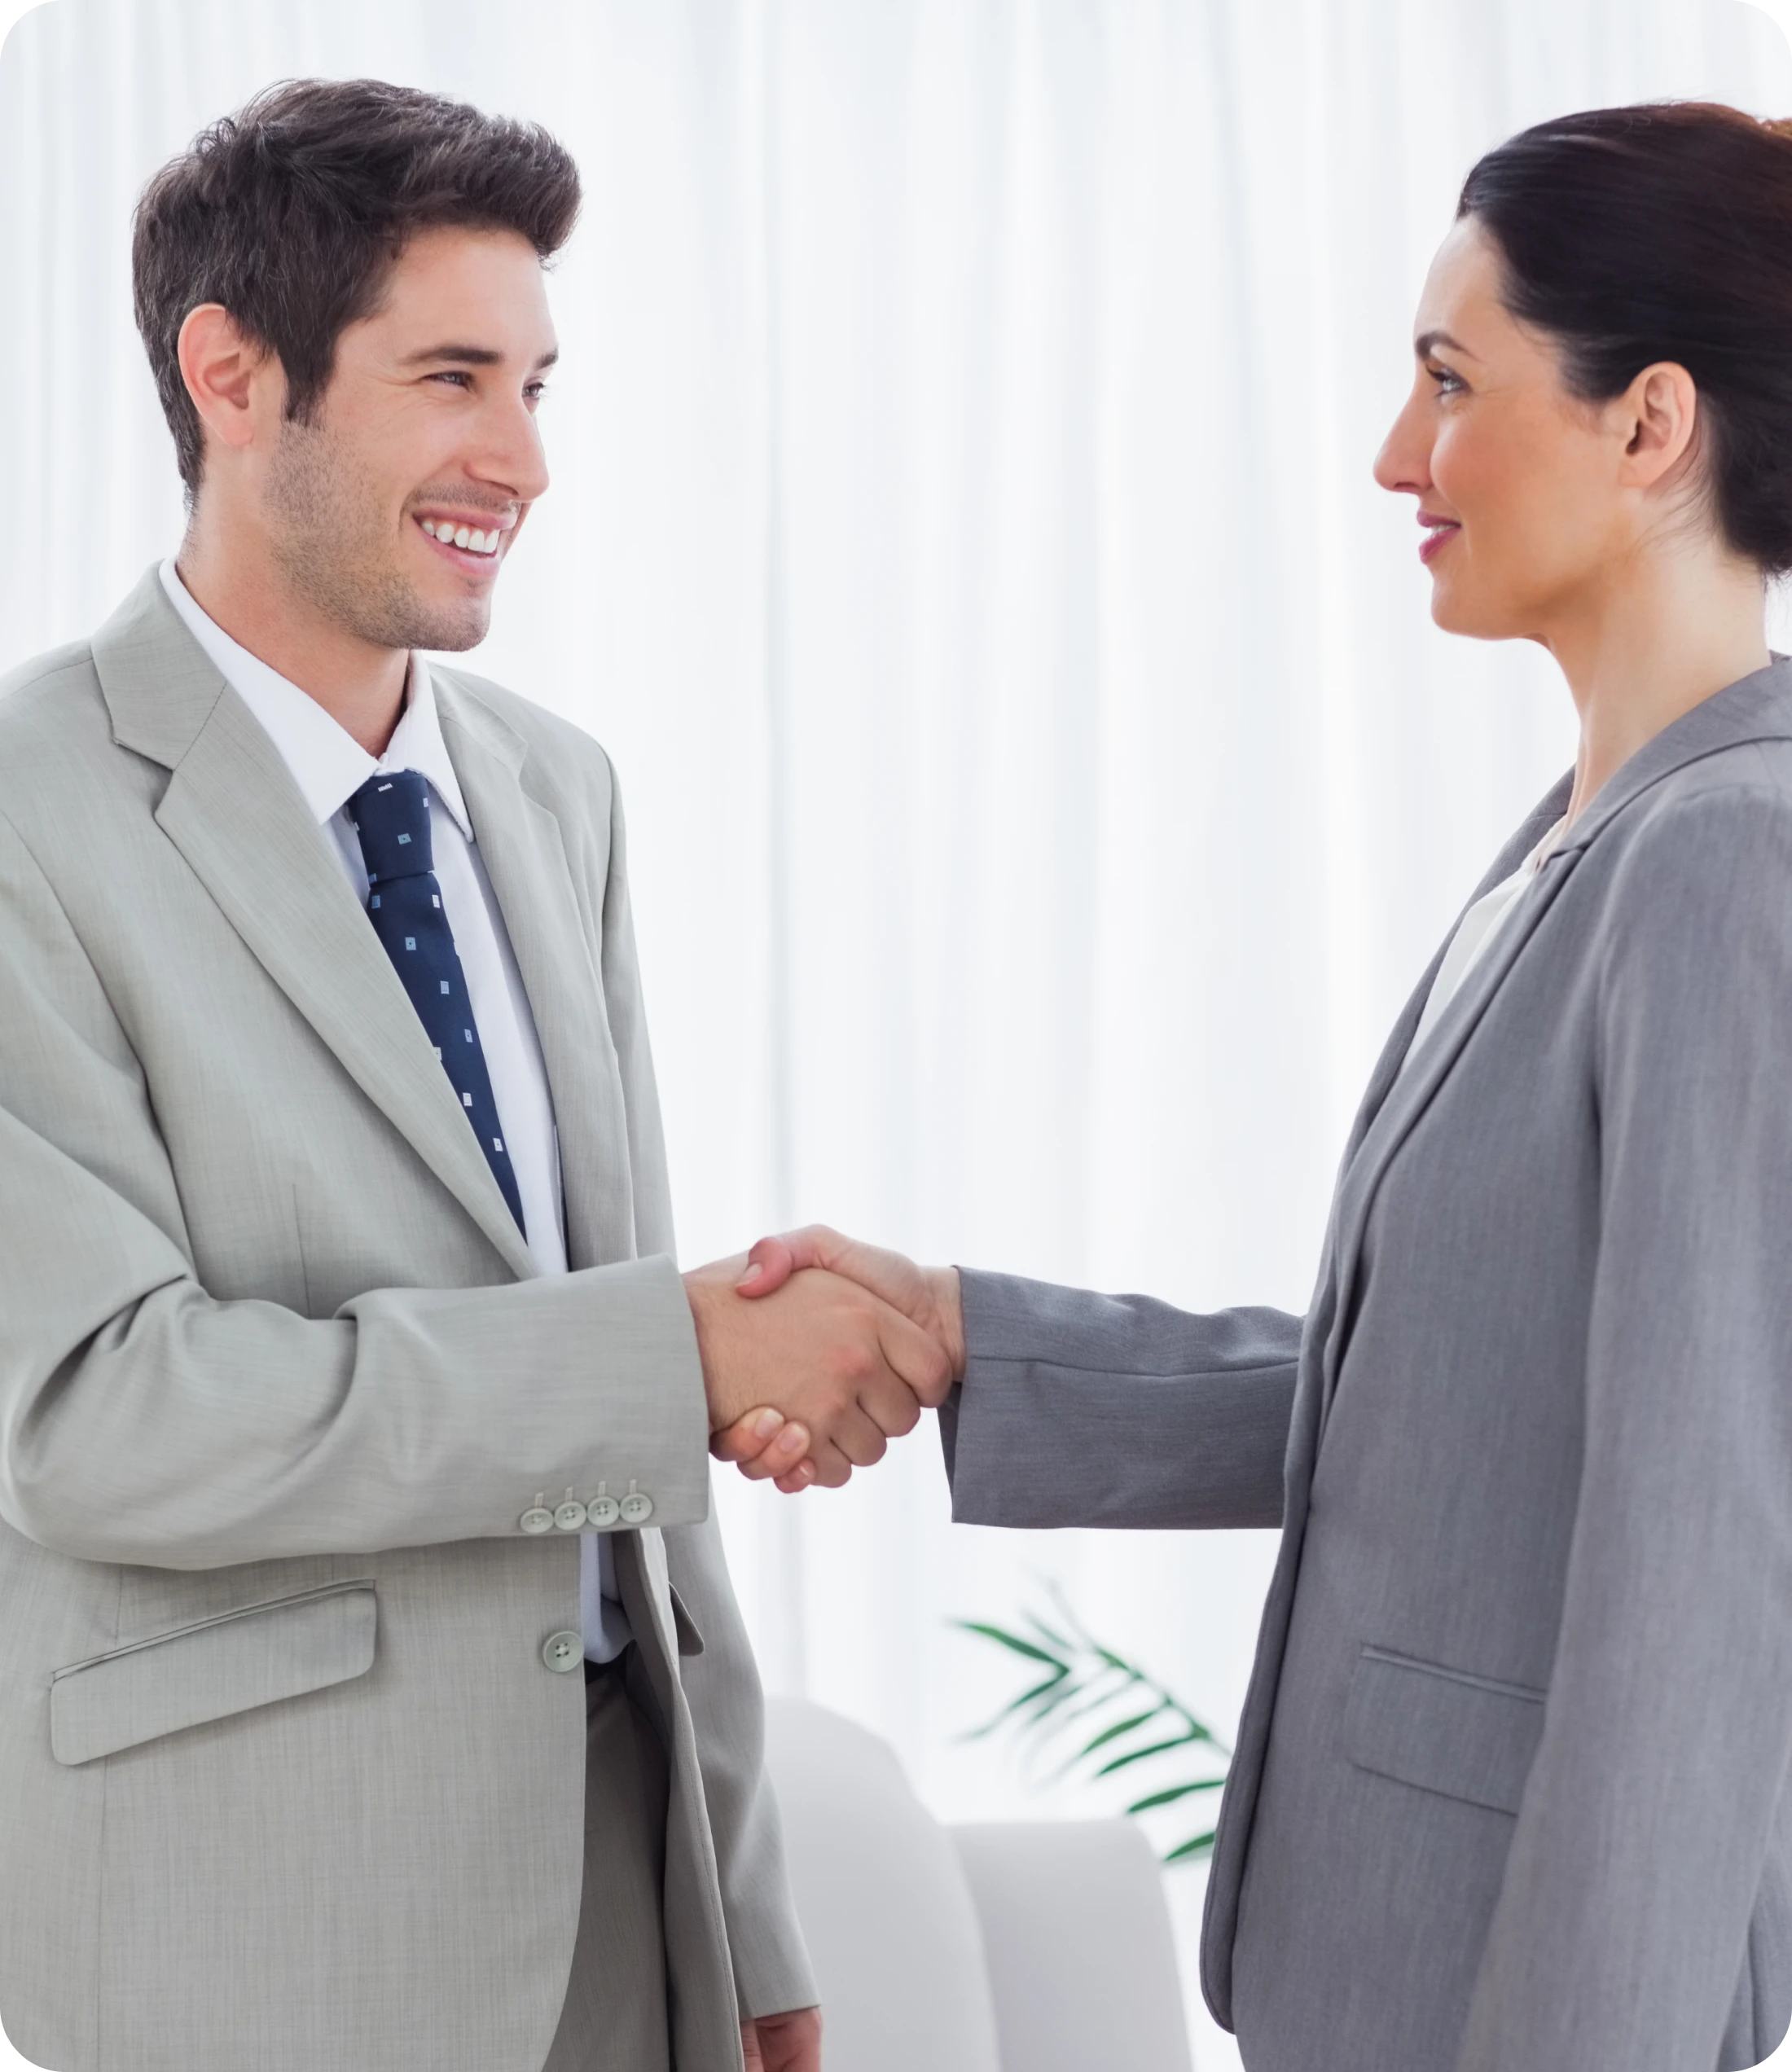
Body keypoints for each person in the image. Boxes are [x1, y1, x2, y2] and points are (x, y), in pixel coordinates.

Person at [718, 102, 1792, 2072]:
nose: (1397, 454)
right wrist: (971, 1341)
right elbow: (1456, 1396)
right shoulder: (1584, 840)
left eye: (1448, 383)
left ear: (1648, 427)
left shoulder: (1725, 861)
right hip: (1382, 1964)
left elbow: (1693, 1584)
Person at [0, 79, 951, 2072]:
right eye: (454, 378)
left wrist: (744, 1908)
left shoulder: (548, 788)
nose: (519, 457)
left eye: (536, 384)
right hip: (253, 1930)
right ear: (232, 375)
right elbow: (99, 1414)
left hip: (623, 1885)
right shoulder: (29, 814)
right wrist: (672, 1363)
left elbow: (630, 1368)